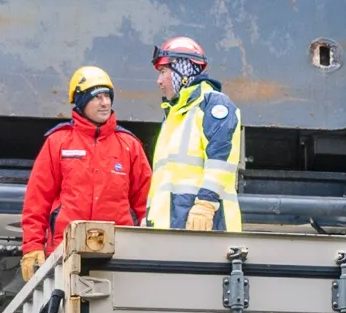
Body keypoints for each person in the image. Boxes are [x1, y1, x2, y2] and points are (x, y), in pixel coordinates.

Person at [19, 61, 151, 276]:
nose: (104, 103)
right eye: (97, 97)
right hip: (64, 252)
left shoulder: (129, 145)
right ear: (81, 101)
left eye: (107, 96)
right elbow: (37, 200)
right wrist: (32, 247)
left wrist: (148, 248)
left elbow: (145, 203)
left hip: (120, 252)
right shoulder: (58, 142)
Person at [150, 35, 242, 234]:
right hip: (171, 232)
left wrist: (206, 205)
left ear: (182, 72)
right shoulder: (174, 116)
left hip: (206, 228)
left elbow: (220, 161)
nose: (159, 81)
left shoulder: (213, 105)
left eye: (163, 71)